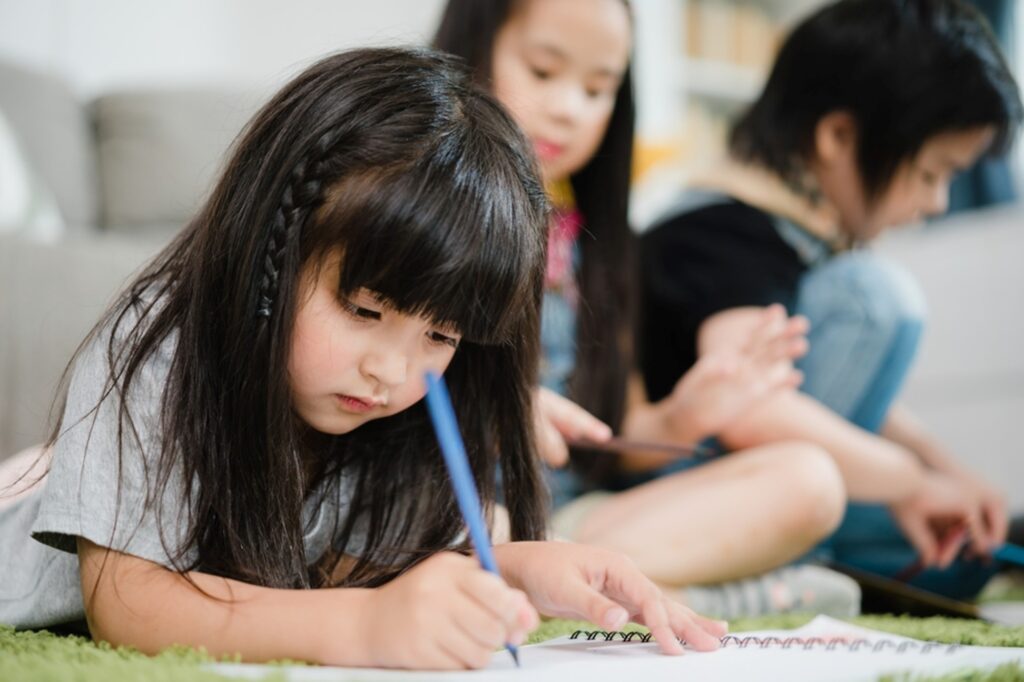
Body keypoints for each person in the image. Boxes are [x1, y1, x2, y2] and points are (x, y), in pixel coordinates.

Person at [0, 47, 727, 669]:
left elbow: (322, 562)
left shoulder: (378, 409)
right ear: (269, 259)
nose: (393, 371)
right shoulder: (159, 343)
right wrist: (363, 627)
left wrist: (516, 567)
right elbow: (129, 607)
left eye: (440, 337)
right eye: (364, 311)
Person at [434, 0, 862, 618]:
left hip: (575, 519)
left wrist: (685, 416)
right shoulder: (419, 214)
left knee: (811, 480)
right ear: (469, 48)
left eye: (598, 89)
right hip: (453, 509)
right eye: (544, 71)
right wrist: (501, 409)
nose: (569, 108)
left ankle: (584, 581)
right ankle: (658, 592)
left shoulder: (596, 250)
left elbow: (621, 438)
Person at [639, 0, 1023, 599]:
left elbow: (826, 389)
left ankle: (806, 555)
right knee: (874, 296)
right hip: (667, 487)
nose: (939, 201)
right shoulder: (720, 228)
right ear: (838, 136)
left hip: (765, 472)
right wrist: (909, 483)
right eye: (930, 173)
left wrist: (940, 470)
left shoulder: (798, 233)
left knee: (965, 553)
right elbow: (752, 407)